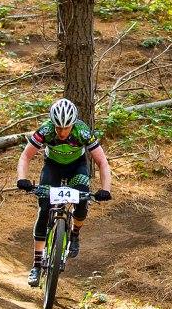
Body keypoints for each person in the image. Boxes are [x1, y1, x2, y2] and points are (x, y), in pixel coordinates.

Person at [16, 98, 112, 287]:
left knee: (82, 201)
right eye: (58, 128)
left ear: (73, 124)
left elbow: (102, 162)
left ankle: (75, 234)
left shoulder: (83, 131)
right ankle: (36, 265)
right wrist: (22, 179)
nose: (61, 132)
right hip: (52, 167)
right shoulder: (45, 130)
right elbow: (25, 156)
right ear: (53, 123)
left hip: (77, 167)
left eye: (66, 128)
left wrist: (105, 189)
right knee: (44, 209)